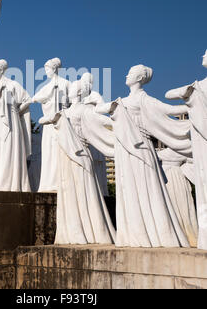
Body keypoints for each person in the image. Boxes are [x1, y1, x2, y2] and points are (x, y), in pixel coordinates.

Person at [96, 65, 191, 248]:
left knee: (146, 188)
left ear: (139, 77)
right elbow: (99, 110)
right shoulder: (122, 101)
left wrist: (192, 103)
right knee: (129, 189)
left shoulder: (144, 100)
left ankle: (157, 234)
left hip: (140, 150)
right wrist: (112, 106)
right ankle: (133, 234)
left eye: (131, 73)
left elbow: (169, 110)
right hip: (125, 150)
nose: (126, 75)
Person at [40, 80, 115, 245]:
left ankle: (91, 231)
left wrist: (118, 119)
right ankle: (72, 232)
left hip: (80, 155)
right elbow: (41, 121)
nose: (70, 89)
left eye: (74, 87)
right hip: (66, 157)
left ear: (80, 92)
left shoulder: (85, 110)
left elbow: (105, 121)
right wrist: (54, 117)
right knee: (68, 192)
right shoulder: (65, 112)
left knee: (84, 192)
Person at [165, 50, 207, 250]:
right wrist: (188, 92)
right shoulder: (197, 88)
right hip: (200, 145)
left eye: (206, 54)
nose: (202, 57)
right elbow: (169, 94)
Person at [0, 59, 32, 191]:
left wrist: (17, 111)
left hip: (13, 123)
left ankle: (13, 183)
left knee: (11, 150)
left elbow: (28, 99)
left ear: (1, 70)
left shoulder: (13, 84)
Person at [32, 58, 71, 192]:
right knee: (49, 154)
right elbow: (35, 98)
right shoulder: (46, 87)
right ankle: (48, 183)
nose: (46, 71)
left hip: (61, 123)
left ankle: (61, 183)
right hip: (48, 126)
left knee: (59, 152)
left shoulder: (66, 83)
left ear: (54, 69)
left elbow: (73, 101)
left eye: (47, 68)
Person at [157, 148, 198, 247]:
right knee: (177, 205)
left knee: (180, 204)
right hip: (173, 177)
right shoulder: (182, 150)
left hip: (171, 177)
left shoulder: (163, 153)